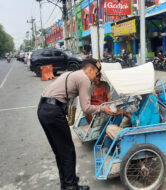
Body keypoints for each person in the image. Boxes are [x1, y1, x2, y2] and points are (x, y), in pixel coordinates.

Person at [37, 58, 113, 190]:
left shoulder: (70, 74)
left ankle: (66, 184)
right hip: (54, 112)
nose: (95, 77)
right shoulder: (84, 79)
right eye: (96, 73)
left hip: (43, 109)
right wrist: (103, 108)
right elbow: (86, 108)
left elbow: (70, 100)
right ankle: (71, 186)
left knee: (60, 152)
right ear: (90, 70)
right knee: (68, 151)